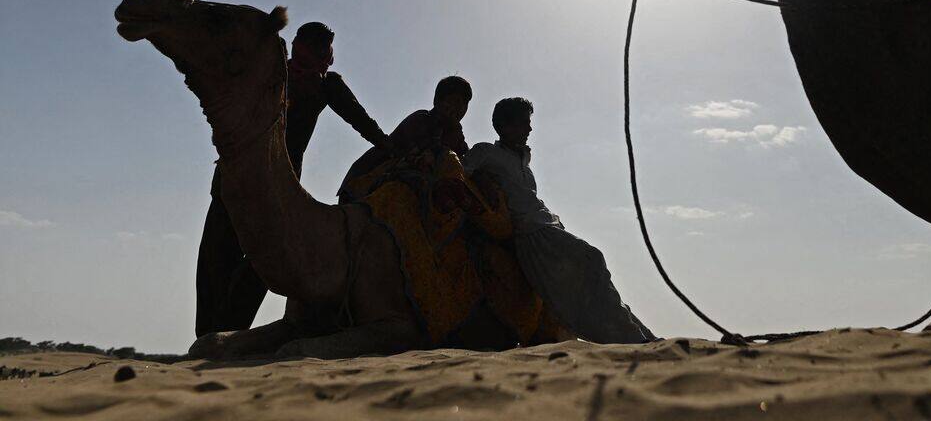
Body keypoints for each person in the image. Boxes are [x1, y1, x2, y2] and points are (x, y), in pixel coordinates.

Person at [195, 21, 392, 337]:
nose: (318, 57)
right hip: (238, 180)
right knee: (218, 258)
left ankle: (225, 334)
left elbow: (364, 123)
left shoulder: (325, 86)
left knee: (260, 261)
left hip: (276, 189)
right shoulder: (271, 75)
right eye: (314, 48)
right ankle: (207, 337)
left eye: (321, 50)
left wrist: (397, 149)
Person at [463, 97, 654, 344]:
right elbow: (460, 170)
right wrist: (484, 186)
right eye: (524, 123)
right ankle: (631, 339)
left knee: (594, 273)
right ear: (505, 126)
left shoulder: (524, 163)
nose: (530, 129)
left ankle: (641, 336)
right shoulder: (486, 152)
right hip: (532, 234)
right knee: (592, 259)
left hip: (548, 227)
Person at [338, 75, 472, 200]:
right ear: (438, 101)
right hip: (372, 176)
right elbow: (419, 154)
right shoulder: (422, 118)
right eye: (454, 101)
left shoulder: (456, 135)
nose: (459, 108)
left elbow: (465, 161)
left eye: (464, 104)